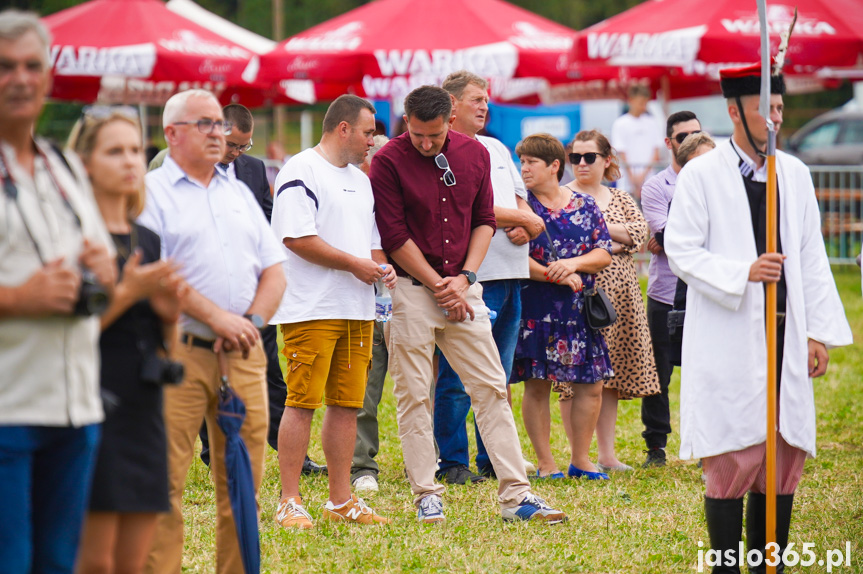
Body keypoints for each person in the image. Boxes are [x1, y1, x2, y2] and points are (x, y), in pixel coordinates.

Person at [664, 63, 852, 573]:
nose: (773, 120)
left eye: (779, 109)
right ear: (733, 113)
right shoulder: (701, 174)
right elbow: (681, 248)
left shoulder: (794, 173)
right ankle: (726, 565)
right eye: (762, 110)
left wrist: (818, 332)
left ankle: (771, 564)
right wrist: (741, 272)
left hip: (788, 329)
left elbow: (811, 257)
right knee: (734, 447)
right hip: (728, 328)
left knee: (783, 447)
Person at [370, 85, 567, 524]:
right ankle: (426, 492)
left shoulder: (475, 155)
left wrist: (466, 279)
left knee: (492, 388)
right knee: (413, 395)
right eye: (417, 134)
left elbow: (485, 221)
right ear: (406, 121)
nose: (425, 143)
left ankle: (517, 496)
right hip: (410, 290)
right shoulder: (386, 161)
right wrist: (440, 284)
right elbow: (393, 235)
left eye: (434, 136)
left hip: (464, 285)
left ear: (450, 119)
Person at [140, 89, 286, 574]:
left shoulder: (239, 191)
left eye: (218, 124)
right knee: (163, 485)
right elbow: (156, 273)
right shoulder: (150, 192)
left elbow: (274, 271)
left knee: (243, 486)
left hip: (243, 355)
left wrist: (251, 322)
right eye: (203, 123)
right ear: (172, 134)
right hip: (178, 351)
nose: (216, 132)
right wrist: (217, 317)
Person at [0, 10, 117, 573]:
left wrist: (108, 272)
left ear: (48, 78)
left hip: (75, 408)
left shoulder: (62, 167)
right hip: (7, 408)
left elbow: (104, 278)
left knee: (56, 563)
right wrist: (18, 298)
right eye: (3, 67)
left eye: (30, 66)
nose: (19, 79)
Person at [69, 106, 185, 574]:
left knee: (134, 562)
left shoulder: (147, 239)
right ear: (85, 163)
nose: (130, 161)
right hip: (90, 403)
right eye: (115, 151)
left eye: (136, 150)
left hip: (144, 407)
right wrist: (126, 294)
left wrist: (169, 316)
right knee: (96, 561)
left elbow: (165, 348)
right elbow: (69, 337)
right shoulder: (75, 238)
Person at [271, 95, 392, 529]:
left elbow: (371, 240)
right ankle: (289, 500)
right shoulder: (300, 169)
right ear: (343, 129)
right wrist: (357, 264)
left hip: (357, 307)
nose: (373, 141)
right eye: (367, 132)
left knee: (347, 404)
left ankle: (340, 500)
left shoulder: (361, 180)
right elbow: (296, 238)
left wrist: (380, 266)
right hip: (310, 307)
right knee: (302, 401)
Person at [195, 103, 326, 475]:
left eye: (244, 146)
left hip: (254, 290)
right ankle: (214, 451)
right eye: (232, 145)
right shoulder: (194, 171)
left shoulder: (252, 169)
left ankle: (292, 453)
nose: (236, 153)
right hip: (209, 289)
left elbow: (269, 217)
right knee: (214, 371)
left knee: (271, 371)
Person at [434, 70, 545, 484]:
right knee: (458, 374)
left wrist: (523, 222)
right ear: (452, 104)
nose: (484, 106)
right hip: (473, 276)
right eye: (476, 99)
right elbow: (468, 210)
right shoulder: (444, 151)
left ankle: (492, 457)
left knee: (497, 375)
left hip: (512, 271)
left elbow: (520, 202)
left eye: (486, 99)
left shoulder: (497, 147)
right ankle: (452, 462)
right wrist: (522, 218)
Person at [512, 134, 614, 480]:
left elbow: (603, 252)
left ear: (554, 166)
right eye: (521, 162)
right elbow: (512, 259)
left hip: (578, 311)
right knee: (536, 384)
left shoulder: (585, 205)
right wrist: (552, 275)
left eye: (531, 162)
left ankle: (581, 460)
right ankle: (545, 463)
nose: (523, 168)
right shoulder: (520, 207)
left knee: (591, 385)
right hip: (535, 310)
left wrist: (572, 264)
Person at [563, 130, 659, 473]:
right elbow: (569, 243)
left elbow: (640, 233)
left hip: (619, 299)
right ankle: (580, 455)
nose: (582, 164)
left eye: (590, 157)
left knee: (609, 378)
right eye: (576, 157)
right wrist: (611, 239)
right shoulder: (561, 195)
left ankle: (607, 454)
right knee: (573, 380)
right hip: (575, 295)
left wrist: (598, 231)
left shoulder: (618, 196)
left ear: (607, 160)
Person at [639, 110, 702, 468]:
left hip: (707, 293)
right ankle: (656, 447)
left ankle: (708, 442)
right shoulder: (656, 186)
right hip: (666, 292)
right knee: (658, 374)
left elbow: (673, 238)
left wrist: (672, 238)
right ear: (669, 143)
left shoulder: (717, 181)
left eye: (697, 134)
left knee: (707, 368)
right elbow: (664, 235)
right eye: (683, 137)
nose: (691, 141)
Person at [351, 134, 391, 495]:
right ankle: (362, 465)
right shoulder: (353, 194)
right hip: (364, 301)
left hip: (406, 301)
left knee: (420, 387)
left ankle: (426, 461)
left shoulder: (405, 192)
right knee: (363, 391)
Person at [610, 85, 664, 199]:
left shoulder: (652, 122)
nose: (643, 107)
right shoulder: (620, 123)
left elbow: (656, 151)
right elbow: (621, 152)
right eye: (641, 103)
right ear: (631, 101)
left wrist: (642, 176)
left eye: (645, 103)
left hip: (649, 179)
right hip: (626, 181)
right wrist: (633, 178)